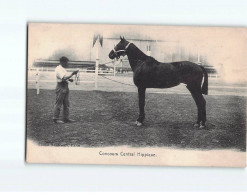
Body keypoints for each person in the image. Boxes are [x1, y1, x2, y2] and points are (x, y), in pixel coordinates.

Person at [53, 56, 79, 124]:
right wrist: (72, 74)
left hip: (65, 86)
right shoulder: (58, 69)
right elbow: (64, 77)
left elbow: (65, 77)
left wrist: (69, 79)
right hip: (61, 86)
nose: (67, 64)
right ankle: (55, 118)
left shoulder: (62, 69)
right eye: (66, 62)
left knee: (66, 103)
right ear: (62, 62)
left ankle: (66, 118)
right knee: (58, 103)